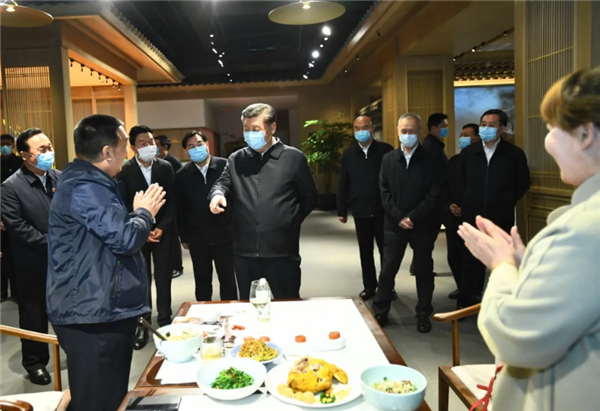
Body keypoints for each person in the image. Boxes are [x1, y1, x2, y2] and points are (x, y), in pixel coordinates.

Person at [457, 67, 600, 411]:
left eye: (551, 129)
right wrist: (529, 264)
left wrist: (503, 266)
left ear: (585, 135)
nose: (548, 142)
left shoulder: (584, 229)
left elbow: (516, 338)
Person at [47, 114, 165, 411]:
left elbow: (109, 232)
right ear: (107, 151)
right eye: (125, 146)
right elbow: (125, 239)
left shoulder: (91, 181)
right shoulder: (86, 185)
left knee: (107, 395)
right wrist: (144, 213)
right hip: (92, 312)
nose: (128, 153)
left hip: (97, 305)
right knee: (99, 400)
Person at [209, 103, 318, 299]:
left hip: (281, 250)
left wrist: (288, 220)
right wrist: (217, 194)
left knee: (287, 303)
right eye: (246, 129)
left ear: (272, 128)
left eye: (256, 129)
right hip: (244, 251)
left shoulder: (293, 158)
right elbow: (222, 183)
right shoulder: (236, 159)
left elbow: (309, 197)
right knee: (249, 306)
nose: (250, 134)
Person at [373, 113, 442, 332]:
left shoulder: (432, 159)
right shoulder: (388, 159)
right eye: (404, 131)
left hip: (422, 225)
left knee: (423, 271)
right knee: (388, 270)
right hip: (394, 225)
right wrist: (399, 217)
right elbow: (384, 191)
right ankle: (381, 310)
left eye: (412, 131)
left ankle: (423, 313)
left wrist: (413, 217)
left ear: (420, 132)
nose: (408, 135)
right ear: (397, 131)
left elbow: (434, 193)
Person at [1, 128, 60, 385]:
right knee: (34, 314)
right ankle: (35, 363)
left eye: (49, 147)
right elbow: (18, 228)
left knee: (67, 308)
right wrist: (55, 244)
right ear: (24, 155)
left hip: (65, 261)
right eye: (42, 150)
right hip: (32, 262)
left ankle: (72, 350)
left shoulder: (60, 178)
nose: (48, 153)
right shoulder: (11, 187)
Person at [457, 109, 530, 308]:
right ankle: (467, 301)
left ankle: (499, 302)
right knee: (470, 258)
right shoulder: (469, 153)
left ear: (501, 128)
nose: (486, 128)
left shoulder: (514, 154)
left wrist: (507, 198)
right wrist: (465, 201)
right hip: (473, 214)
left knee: (501, 260)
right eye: (483, 124)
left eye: (491, 125)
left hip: (501, 214)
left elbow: (523, 182)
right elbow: (461, 181)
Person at [117, 125, 175, 350]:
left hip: (162, 232)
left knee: (163, 277)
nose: (149, 146)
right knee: (141, 280)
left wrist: (162, 227)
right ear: (133, 147)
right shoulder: (124, 170)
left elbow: (173, 201)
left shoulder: (165, 167)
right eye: (143, 143)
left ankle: (165, 320)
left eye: (151, 142)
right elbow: (122, 203)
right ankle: (143, 324)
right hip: (136, 232)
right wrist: (140, 226)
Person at [175, 130, 238, 301]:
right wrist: (184, 235)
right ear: (186, 152)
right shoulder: (182, 175)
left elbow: (236, 198)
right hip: (197, 237)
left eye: (199, 144)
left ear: (207, 145)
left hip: (225, 233)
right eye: (191, 147)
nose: (196, 148)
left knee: (228, 278)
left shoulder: (225, 166)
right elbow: (180, 208)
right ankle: (202, 312)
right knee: (202, 279)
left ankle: (231, 311)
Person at [337, 115, 393, 301]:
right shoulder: (349, 154)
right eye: (357, 128)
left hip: (383, 210)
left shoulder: (385, 151)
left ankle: (388, 287)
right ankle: (369, 287)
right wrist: (341, 209)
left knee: (386, 252)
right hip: (360, 210)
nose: (361, 131)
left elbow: (394, 180)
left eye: (365, 127)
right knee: (365, 251)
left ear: (373, 128)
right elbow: (343, 182)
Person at [444, 123, 480, 300]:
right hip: (454, 215)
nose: (462, 138)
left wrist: (467, 207)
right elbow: (445, 186)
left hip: (474, 215)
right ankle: (462, 287)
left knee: (473, 257)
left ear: (477, 138)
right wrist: (450, 205)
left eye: (467, 135)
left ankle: (473, 292)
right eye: (461, 135)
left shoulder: (482, 161)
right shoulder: (454, 161)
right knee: (454, 255)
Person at [155, 134, 184, 279]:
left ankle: (177, 266)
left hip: (173, 204)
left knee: (173, 237)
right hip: (161, 206)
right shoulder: (156, 163)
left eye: (155, 145)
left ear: (164, 147)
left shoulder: (173, 163)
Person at [1, 134, 22, 303]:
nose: (4, 147)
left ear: (13, 145)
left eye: (7, 144)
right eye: (1, 145)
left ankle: (16, 291)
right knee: (2, 258)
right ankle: (1, 292)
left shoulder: (19, 164)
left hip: (16, 217)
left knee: (16, 257)